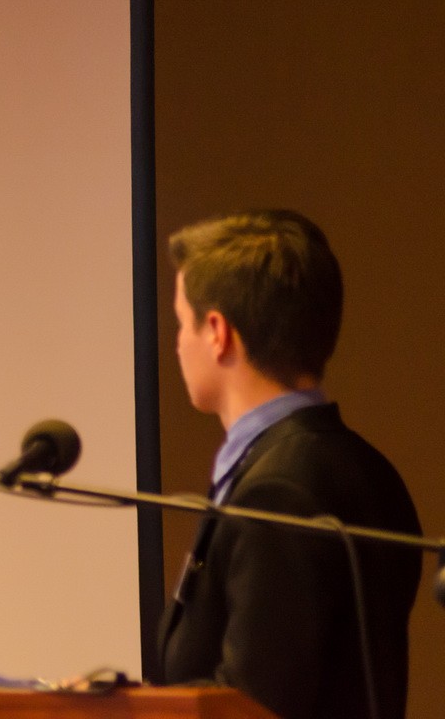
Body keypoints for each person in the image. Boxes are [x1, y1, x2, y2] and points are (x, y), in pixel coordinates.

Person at [156, 210, 421, 719]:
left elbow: (256, 703)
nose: (178, 343)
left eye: (182, 322)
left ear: (217, 332)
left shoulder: (277, 490)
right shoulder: (366, 467)